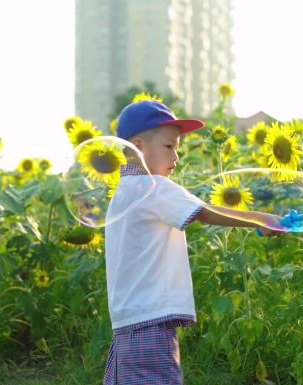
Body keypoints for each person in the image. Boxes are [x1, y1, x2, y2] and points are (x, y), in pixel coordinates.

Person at [103, 99, 282, 384]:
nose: (176, 156)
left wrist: (259, 218)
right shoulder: (152, 187)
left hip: (128, 323)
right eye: (168, 146)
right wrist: (260, 220)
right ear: (138, 145)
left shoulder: (125, 190)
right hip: (152, 320)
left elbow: (199, 207)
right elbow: (204, 213)